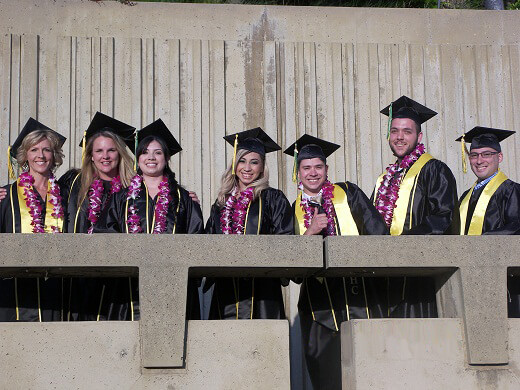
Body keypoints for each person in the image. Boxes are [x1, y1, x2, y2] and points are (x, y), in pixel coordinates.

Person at [284, 134, 388, 390]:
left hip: (360, 296)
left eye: (318, 167)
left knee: (369, 371)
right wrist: (309, 233)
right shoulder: (291, 209)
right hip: (319, 308)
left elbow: (378, 234)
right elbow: (293, 272)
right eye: (306, 168)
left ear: (326, 169)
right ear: (298, 172)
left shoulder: (348, 193)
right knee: (326, 377)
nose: (312, 173)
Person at [95, 118, 204, 319]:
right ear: (137, 158)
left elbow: (196, 239)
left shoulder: (183, 199)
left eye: (158, 152)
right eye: (144, 152)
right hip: (128, 290)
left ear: (166, 158)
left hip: (173, 285)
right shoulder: (121, 199)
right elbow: (105, 236)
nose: (150, 157)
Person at [371, 95, 459, 318]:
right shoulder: (384, 179)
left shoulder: (435, 170)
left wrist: (405, 243)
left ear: (419, 136)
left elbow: (444, 217)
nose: (399, 137)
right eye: (394, 131)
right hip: (385, 276)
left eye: (406, 131)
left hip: (420, 279)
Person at [204, 127, 293, 319]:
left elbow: (285, 239)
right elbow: (207, 242)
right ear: (234, 165)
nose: (247, 168)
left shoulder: (273, 198)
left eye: (254, 162)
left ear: (262, 167)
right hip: (225, 291)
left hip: (263, 291)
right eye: (242, 161)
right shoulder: (221, 203)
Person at [0, 118, 67, 321]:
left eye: (46, 150)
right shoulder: (7, 195)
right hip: (14, 290)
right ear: (25, 156)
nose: (40, 155)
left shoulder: (66, 194)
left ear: (54, 156)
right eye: (34, 150)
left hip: (57, 286)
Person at [455, 127, 520, 317]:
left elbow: (516, 227)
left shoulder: (512, 191)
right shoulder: (465, 197)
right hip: (469, 277)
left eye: (486, 154)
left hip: (504, 281)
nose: (479, 160)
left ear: (499, 157)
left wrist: (481, 240)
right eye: (474, 155)